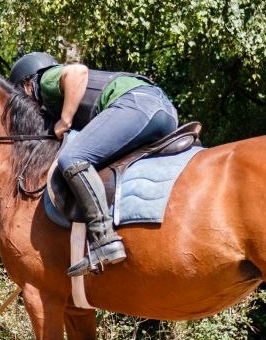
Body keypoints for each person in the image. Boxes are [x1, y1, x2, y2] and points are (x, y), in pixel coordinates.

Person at [9, 52, 179, 277]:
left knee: (72, 159)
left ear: (27, 84)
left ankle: (104, 238)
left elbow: (77, 72)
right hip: (165, 111)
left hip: (136, 105)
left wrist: (65, 119)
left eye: (22, 95)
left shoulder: (44, 80)